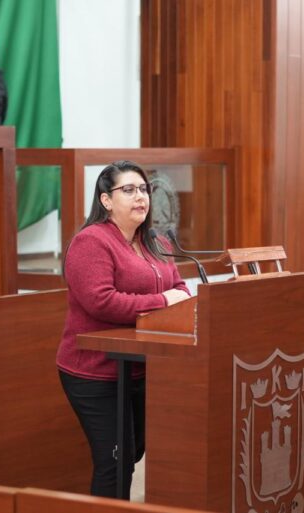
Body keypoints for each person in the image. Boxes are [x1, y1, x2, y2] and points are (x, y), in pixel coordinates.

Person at [57, 160, 191, 498]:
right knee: (114, 463)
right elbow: (101, 301)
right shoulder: (91, 242)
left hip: (142, 368)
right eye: (128, 190)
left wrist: (173, 298)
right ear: (105, 200)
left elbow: (181, 290)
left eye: (144, 189)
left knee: (132, 453)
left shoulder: (157, 241)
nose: (140, 197)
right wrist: (162, 302)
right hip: (95, 371)